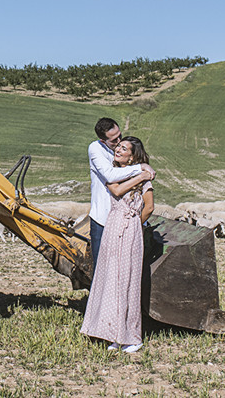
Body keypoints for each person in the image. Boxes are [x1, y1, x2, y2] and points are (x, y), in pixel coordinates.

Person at [80, 136, 155, 353]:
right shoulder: (114, 173)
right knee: (110, 279)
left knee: (127, 281)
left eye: (124, 149)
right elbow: (116, 190)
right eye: (118, 147)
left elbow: (148, 208)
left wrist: (133, 223)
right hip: (112, 228)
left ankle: (132, 336)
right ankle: (112, 333)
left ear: (132, 156)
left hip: (129, 229)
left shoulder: (142, 181)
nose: (118, 150)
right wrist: (141, 174)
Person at [87, 118, 142, 290]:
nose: (119, 142)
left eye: (120, 136)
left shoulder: (118, 151)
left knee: (121, 269)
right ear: (103, 140)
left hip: (122, 220)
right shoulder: (95, 149)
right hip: (103, 218)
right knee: (101, 269)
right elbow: (111, 176)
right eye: (114, 140)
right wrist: (141, 169)